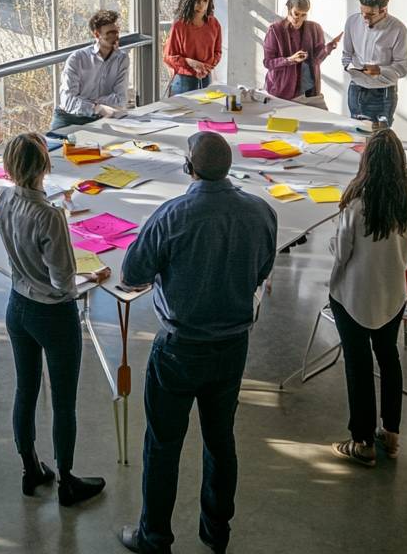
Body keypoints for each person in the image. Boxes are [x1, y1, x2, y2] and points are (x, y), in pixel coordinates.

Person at [117, 132, 277, 554]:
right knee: (221, 439)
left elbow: (132, 273)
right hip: (231, 347)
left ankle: (154, 537)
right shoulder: (261, 212)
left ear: (189, 166)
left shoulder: (173, 215)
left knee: (163, 443)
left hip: (178, 349)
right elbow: (262, 270)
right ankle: (216, 531)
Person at [0, 132, 110, 505]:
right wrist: (89, 277)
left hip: (18, 306)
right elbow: (63, 282)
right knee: (63, 402)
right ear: (44, 166)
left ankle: (31, 467)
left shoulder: (4, 199)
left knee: (25, 390)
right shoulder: (49, 215)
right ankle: (66, 480)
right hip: (53, 315)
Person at [329, 129, 407, 467]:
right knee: (388, 359)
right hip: (392, 293)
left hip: (352, 296)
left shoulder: (356, 204)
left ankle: (362, 440)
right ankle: (392, 433)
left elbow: (341, 253)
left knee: (358, 366)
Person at [49, 9, 130, 135]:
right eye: (110, 33)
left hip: (101, 118)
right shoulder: (77, 59)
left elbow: (120, 100)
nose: (115, 37)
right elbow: (68, 100)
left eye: (116, 32)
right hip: (69, 118)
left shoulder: (122, 59)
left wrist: (87, 103)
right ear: (97, 35)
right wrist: (97, 107)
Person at [340, 0, 407, 125]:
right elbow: (346, 54)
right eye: (362, 12)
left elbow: (402, 68)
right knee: (357, 137)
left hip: (383, 92)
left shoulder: (398, 29)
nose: (365, 18)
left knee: (380, 138)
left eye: (371, 14)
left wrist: (379, 70)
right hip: (356, 88)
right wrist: (348, 67)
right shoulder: (352, 22)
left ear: (384, 10)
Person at [262, 0, 343, 105]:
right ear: (288, 9)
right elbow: (268, 63)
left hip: (309, 91)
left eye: (303, 15)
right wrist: (290, 60)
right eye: (296, 14)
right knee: (287, 122)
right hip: (282, 92)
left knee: (318, 121)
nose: (298, 19)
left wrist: (329, 47)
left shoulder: (315, 28)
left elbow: (316, 61)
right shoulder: (275, 30)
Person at [163, 0, 222, 95]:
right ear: (190, 1)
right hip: (183, 81)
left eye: (205, 1)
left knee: (206, 112)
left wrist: (206, 68)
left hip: (206, 79)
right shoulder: (179, 26)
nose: (201, 5)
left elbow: (217, 52)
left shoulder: (214, 24)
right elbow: (168, 57)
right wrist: (189, 62)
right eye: (197, 0)